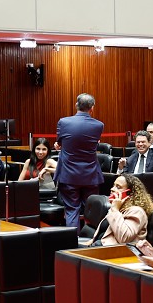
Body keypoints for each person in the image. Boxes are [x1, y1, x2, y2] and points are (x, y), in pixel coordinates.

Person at [54, 93, 105, 229]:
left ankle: (72, 243)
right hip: (90, 174)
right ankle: (93, 242)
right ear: (92, 108)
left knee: (72, 210)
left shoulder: (64, 122)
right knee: (93, 210)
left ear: (76, 105)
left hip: (69, 174)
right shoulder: (99, 125)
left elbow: (60, 143)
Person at [97, 174, 151, 245]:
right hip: (99, 247)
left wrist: (115, 210)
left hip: (114, 252)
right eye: (114, 185)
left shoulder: (137, 211)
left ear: (129, 193)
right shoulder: (119, 207)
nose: (112, 189)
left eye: (118, 187)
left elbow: (124, 238)